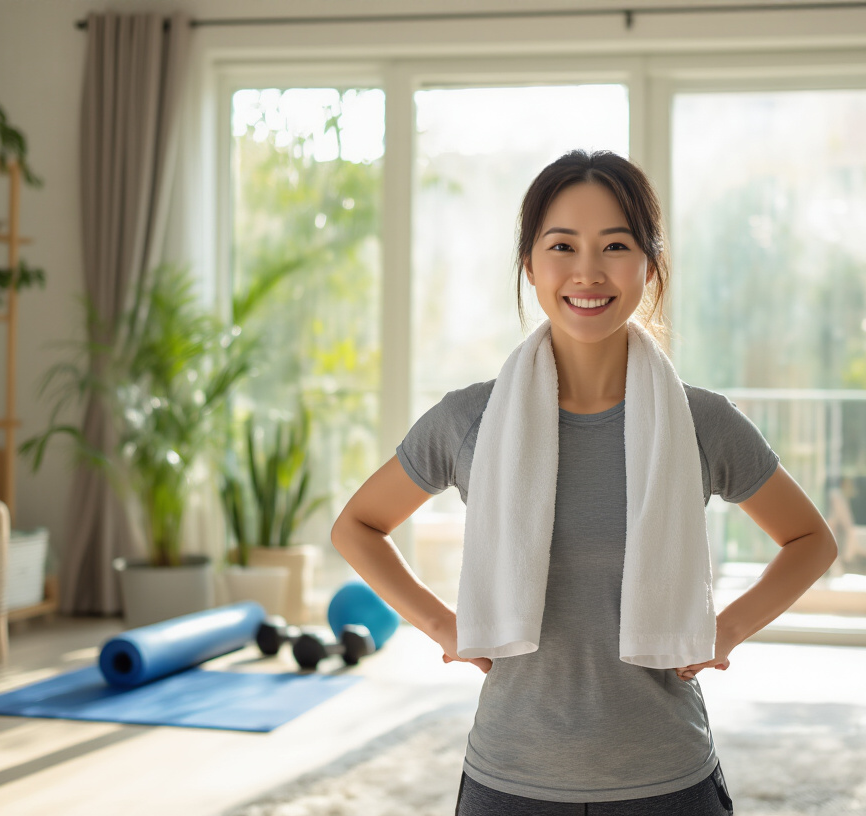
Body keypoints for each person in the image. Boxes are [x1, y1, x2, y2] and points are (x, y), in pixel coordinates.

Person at [330, 150, 838, 815]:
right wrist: (441, 625)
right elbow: (357, 528)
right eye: (562, 246)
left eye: (616, 246)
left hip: (667, 777)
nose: (588, 271)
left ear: (648, 267)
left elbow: (810, 540)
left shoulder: (700, 419)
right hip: (509, 778)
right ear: (530, 266)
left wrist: (728, 629)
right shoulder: (469, 419)